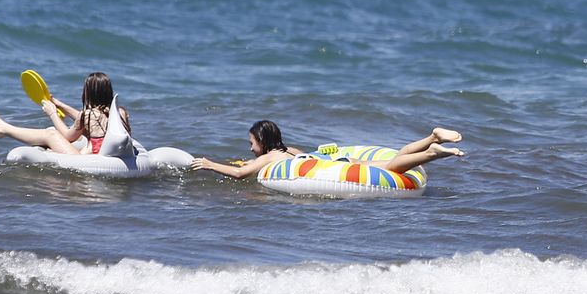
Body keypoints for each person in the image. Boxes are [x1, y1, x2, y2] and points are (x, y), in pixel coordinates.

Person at [188, 121, 463, 179]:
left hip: (339, 168)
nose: (250, 148)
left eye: (252, 143)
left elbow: (241, 174)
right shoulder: (287, 149)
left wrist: (211, 165)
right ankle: (432, 136)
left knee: (392, 168)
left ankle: (432, 153)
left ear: (263, 142)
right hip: (338, 160)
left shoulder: (271, 156)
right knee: (394, 158)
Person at [0, 71, 132, 156]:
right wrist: (60, 104)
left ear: (88, 93)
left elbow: (68, 136)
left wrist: (52, 113)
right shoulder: (119, 112)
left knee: (51, 133)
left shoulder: (88, 115)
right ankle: (3, 128)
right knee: (74, 135)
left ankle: (2, 128)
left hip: (91, 161)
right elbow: (88, 120)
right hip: (113, 158)